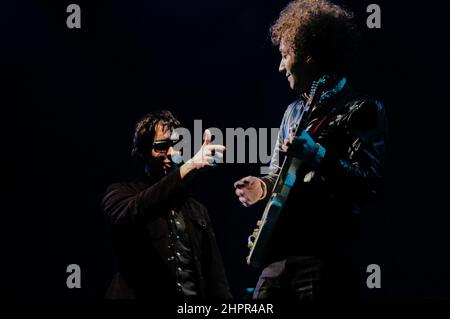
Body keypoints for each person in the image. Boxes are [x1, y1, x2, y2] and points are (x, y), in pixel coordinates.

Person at [234, 0, 387, 299]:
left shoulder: (363, 109)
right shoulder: (292, 111)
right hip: (276, 257)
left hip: (324, 260)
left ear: (310, 56)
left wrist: (317, 154)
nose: (280, 67)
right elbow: (278, 176)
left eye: (285, 55)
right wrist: (262, 187)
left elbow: (370, 184)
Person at [102, 110, 232, 299]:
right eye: (162, 146)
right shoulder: (119, 194)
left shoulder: (197, 210)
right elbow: (138, 209)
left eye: (176, 146)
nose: (171, 153)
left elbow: (216, 278)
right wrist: (192, 166)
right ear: (143, 152)